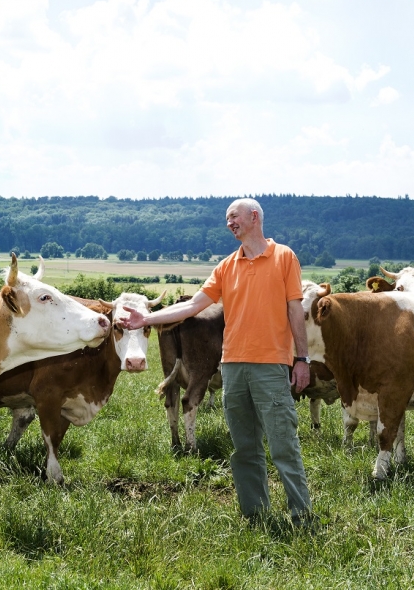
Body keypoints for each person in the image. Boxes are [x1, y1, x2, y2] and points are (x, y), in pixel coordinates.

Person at [118, 198, 314, 525]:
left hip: (270, 365)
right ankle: (255, 514)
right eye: (227, 219)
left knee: (283, 444)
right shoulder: (226, 266)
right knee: (244, 447)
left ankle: (301, 516)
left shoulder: (284, 257)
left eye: (233, 217)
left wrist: (302, 359)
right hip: (233, 367)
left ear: (254, 217)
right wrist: (148, 319)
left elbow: (295, 309)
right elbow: (193, 305)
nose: (229, 223)